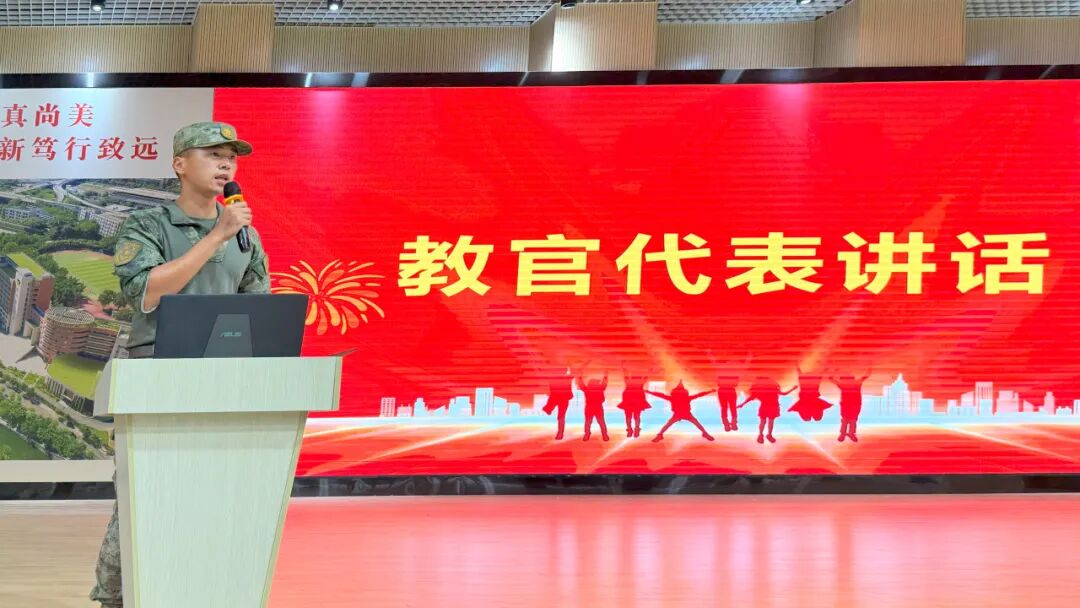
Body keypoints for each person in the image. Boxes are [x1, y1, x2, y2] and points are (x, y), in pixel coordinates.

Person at [90, 122, 269, 608]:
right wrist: (216, 237)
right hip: (158, 371)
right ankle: (115, 597)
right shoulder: (149, 225)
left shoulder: (246, 234)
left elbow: (259, 308)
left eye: (231, 156)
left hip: (223, 377)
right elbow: (146, 291)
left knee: (216, 495)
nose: (226, 164)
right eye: (213, 154)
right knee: (142, 494)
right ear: (179, 164)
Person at [648, 381, 716, 442]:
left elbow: (660, 395)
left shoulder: (674, 398)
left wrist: (648, 392)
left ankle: (660, 435)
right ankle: (705, 434)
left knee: (668, 425)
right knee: (697, 423)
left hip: (682, 414)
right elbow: (699, 395)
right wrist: (710, 391)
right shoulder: (683, 398)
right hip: (682, 414)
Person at [737, 377, 797, 444]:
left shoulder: (761, 390)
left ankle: (762, 435)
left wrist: (742, 404)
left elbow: (750, 398)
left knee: (764, 422)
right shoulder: (772, 389)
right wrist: (793, 389)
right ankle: (767, 435)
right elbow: (784, 394)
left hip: (767, 407)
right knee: (769, 422)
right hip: (772, 407)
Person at [828, 370, 872, 443]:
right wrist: (869, 370)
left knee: (848, 420)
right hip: (851, 404)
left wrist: (833, 372)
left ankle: (846, 434)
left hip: (851, 405)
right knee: (850, 420)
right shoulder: (855, 383)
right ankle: (848, 434)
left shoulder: (845, 384)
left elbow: (831, 379)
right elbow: (865, 376)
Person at [576, 368, 610, 442]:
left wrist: (580, 376)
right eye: (597, 382)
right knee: (600, 422)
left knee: (589, 422)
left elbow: (581, 384)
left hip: (591, 408)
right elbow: (604, 383)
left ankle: (588, 435)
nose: (598, 383)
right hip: (596, 408)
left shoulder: (589, 389)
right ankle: (604, 435)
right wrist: (606, 376)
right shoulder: (599, 389)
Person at [616, 368, 651, 438]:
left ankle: (631, 430)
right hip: (636, 401)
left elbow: (625, 376)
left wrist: (623, 369)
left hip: (629, 401)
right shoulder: (639, 381)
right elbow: (646, 377)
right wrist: (649, 371)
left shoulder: (629, 381)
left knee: (629, 417)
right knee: (636, 416)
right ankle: (635, 430)